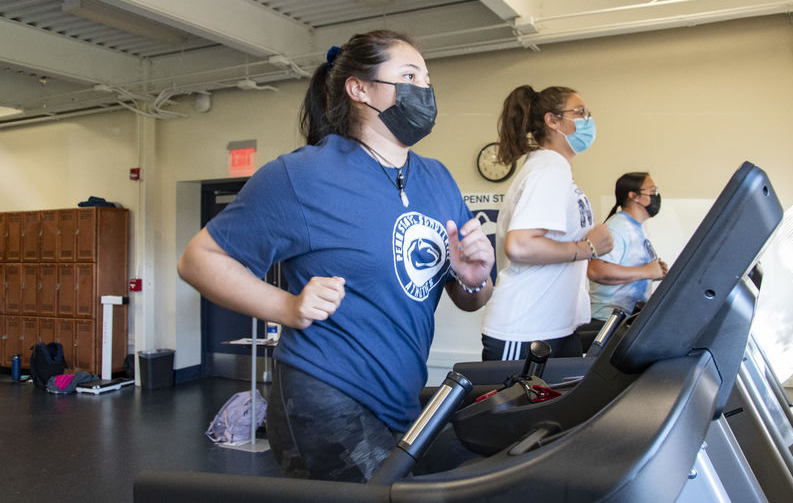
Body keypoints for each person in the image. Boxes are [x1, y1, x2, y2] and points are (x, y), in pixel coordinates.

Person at [177, 30, 494, 483]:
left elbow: (472, 298)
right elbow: (198, 258)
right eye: (409, 76)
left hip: (400, 394)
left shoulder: (438, 179)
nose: (424, 89)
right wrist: (287, 307)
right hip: (324, 393)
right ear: (359, 89)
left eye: (427, 79)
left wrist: (474, 278)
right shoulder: (302, 176)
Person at [480, 85, 613, 361]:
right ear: (552, 120)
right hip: (527, 329)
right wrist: (588, 247)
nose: (587, 119)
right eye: (579, 112)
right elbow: (521, 245)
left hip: (556, 325)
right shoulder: (548, 169)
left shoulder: (556, 169)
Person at [587, 172, 668, 324]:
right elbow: (595, 270)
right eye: (652, 191)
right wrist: (646, 271)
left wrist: (653, 271)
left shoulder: (637, 228)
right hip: (607, 320)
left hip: (626, 319)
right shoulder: (617, 228)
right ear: (634, 196)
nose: (656, 196)